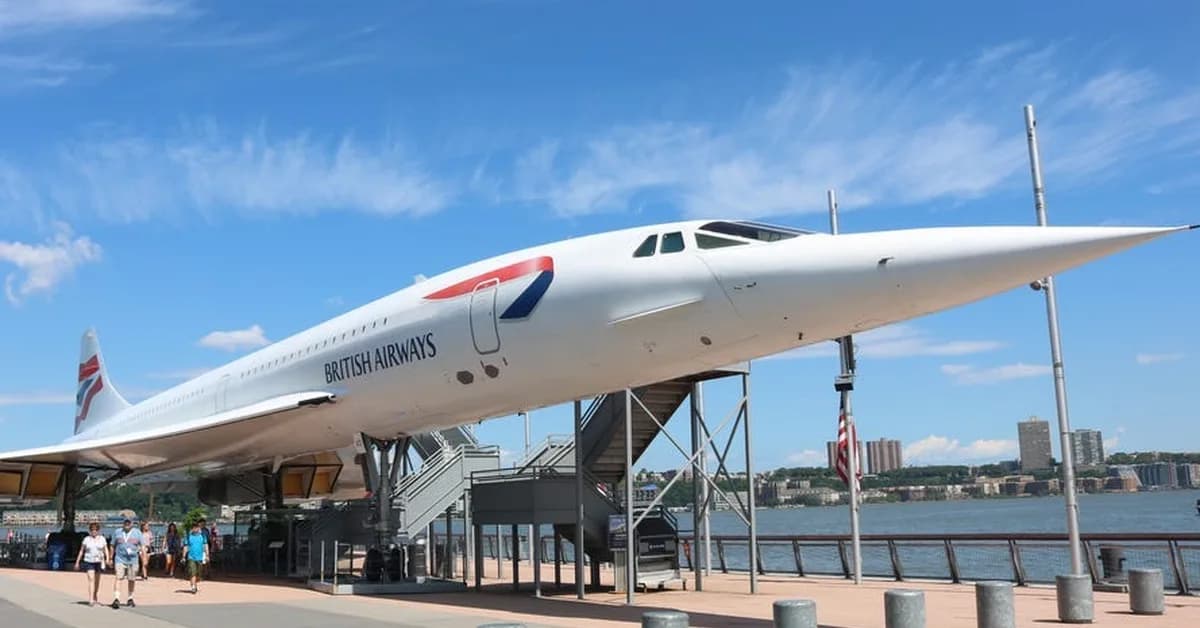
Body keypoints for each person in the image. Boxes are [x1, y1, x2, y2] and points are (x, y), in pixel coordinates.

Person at [109, 518, 143, 609]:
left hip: (133, 560)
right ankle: (116, 598)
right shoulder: (117, 532)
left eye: (129, 522)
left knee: (132, 579)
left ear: (132, 523)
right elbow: (112, 545)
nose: (127, 524)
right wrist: (110, 558)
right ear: (123, 523)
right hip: (120, 559)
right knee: (118, 577)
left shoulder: (138, 533)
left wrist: (144, 558)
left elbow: (142, 546)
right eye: (125, 522)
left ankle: (130, 598)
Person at [73, 522, 107, 606]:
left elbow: (105, 549)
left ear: (98, 530)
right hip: (89, 561)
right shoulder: (86, 539)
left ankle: (95, 594)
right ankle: (91, 598)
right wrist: (77, 562)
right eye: (92, 530)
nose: (94, 531)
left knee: (97, 581)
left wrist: (108, 558)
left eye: (95, 530)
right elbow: (81, 551)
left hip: (99, 561)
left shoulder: (102, 539)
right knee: (91, 579)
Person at [185, 520, 208, 594]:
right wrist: (183, 555)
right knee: (193, 573)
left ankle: (195, 583)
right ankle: (193, 587)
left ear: (198, 528)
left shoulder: (202, 536)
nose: (195, 529)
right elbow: (186, 546)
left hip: (200, 557)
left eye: (196, 527)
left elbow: (205, 546)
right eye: (194, 527)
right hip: (191, 557)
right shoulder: (189, 537)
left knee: (198, 574)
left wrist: (207, 555)